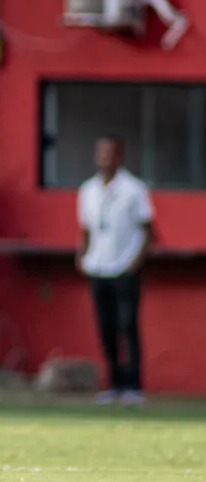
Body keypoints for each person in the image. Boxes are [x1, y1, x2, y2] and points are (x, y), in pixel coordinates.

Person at [76, 135, 152, 405]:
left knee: (127, 326)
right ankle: (113, 384)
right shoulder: (88, 190)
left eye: (110, 152)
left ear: (119, 155)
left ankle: (133, 386)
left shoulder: (134, 189)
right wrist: (82, 254)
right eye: (101, 152)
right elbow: (86, 229)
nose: (105, 157)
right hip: (98, 267)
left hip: (124, 268)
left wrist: (134, 263)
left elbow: (147, 230)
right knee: (105, 328)